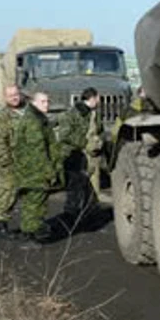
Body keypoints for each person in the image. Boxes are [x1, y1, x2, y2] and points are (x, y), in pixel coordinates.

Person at [13, 92, 57, 246]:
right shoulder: (33, 122)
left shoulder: (38, 118)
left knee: (33, 202)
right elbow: (38, 150)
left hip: (32, 169)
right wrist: (49, 171)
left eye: (48, 101)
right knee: (34, 203)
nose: (47, 104)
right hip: (34, 170)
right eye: (43, 102)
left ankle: (30, 232)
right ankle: (30, 236)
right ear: (34, 103)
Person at [56, 87, 103, 223]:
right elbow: (64, 135)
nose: (99, 101)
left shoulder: (94, 114)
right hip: (75, 155)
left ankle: (90, 212)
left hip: (92, 155)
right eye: (98, 98)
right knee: (75, 187)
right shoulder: (72, 114)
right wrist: (84, 143)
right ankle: (70, 215)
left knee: (93, 185)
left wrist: (97, 143)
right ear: (92, 98)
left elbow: (99, 129)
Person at [0, 84, 23, 239]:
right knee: (7, 191)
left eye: (16, 94)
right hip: (10, 161)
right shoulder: (2, 116)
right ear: (5, 98)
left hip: (25, 161)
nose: (14, 97)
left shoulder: (24, 112)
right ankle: (1, 225)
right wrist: (5, 160)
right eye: (11, 95)